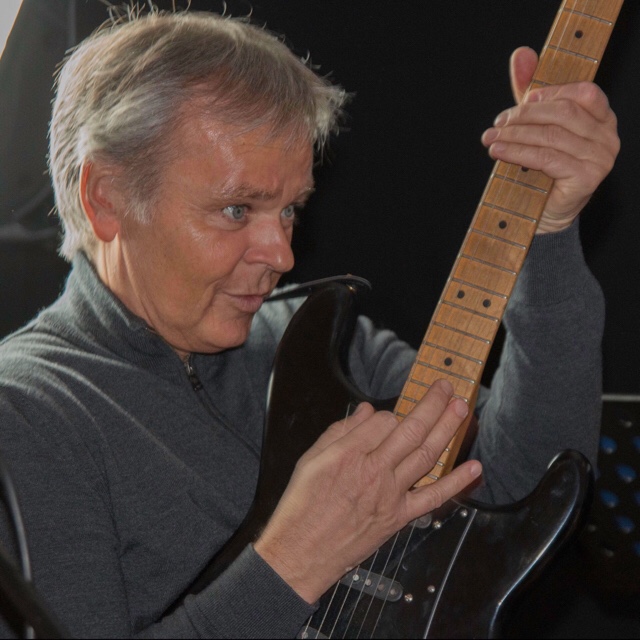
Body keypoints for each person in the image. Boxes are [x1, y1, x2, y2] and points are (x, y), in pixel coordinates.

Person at [0, 8, 619, 639]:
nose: (282, 255)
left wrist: (549, 233)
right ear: (106, 199)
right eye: (237, 209)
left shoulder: (319, 341)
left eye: (290, 210)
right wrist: (296, 560)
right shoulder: (27, 412)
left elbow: (523, 485)